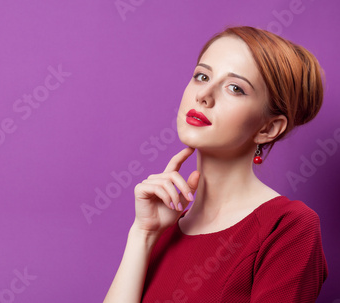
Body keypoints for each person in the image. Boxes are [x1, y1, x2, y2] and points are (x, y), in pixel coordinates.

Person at [104, 26, 328, 303]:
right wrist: (143, 234)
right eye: (202, 76)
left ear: (269, 128)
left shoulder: (287, 227)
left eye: (235, 88)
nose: (204, 95)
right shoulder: (162, 226)